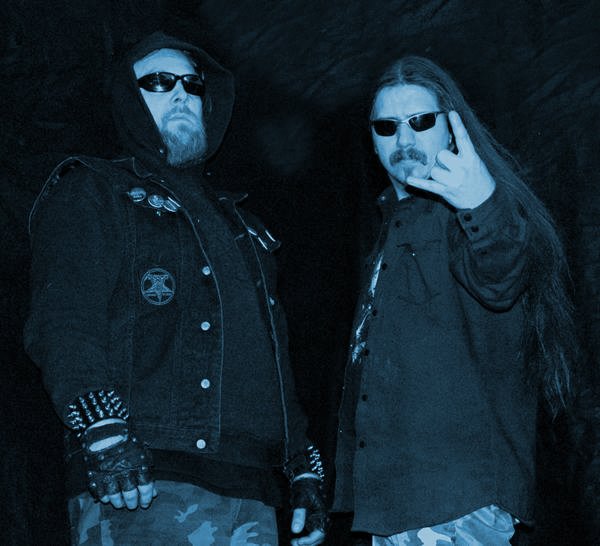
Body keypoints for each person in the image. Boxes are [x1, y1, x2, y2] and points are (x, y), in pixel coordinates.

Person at [24, 31, 326, 546]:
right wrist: (104, 432)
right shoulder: (95, 189)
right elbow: (64, 320)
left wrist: (302, 467)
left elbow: (273, 360)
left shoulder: (245, 226)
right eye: (160, 82)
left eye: (193, 84)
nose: (182, 93)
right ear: (128, 98)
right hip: (144, 481)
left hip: (252, 493)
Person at [333, 56, 577, 545]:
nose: (404, 139)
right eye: (387, 127)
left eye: (421, 121)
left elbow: (502, 275)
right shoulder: (391, 229)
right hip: (394, 506)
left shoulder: (471, 215)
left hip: (456, 503)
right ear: (373, 140)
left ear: (451, 128)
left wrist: (480, 202)